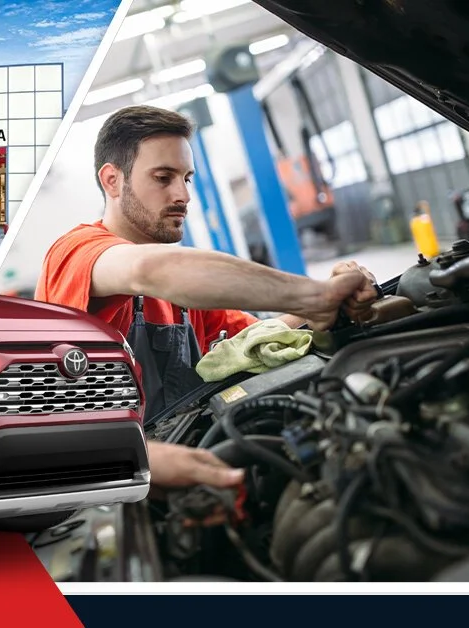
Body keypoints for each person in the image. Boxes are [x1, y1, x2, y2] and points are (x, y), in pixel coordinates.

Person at [35, 104, 380, 492]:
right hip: (100, 477)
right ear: (112, 180)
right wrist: (311, 295)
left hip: (188, 449)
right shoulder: (77, 251)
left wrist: (330, 298)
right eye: (163, 178)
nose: (183, 194)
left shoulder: (183, 289)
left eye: (187, 178)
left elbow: (253, 340)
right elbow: (147, 270)